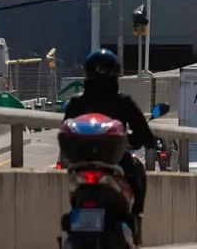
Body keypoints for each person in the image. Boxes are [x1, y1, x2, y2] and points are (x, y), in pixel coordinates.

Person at [63, 49, 154, 245]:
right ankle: (137, 220)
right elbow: (145, 134)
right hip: (116, 163)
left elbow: (65, 129)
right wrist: (139, 140)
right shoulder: (123, 102)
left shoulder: (77, 102)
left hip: (81, 164)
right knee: (138, 171)